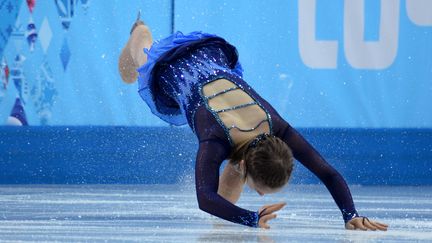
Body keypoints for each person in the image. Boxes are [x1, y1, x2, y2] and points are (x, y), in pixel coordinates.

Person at [118, 12, 388, 231]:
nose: (259, 196)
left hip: (212, 59)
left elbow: (328, 172)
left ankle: (221, 225)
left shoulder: (277, 126)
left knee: (239, 156)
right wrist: (251, 218)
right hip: (171, 69)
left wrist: (351, 214)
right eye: (260, 190)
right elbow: (205, 198)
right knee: (144, 57)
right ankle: (140, 33)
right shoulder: (214, 141)